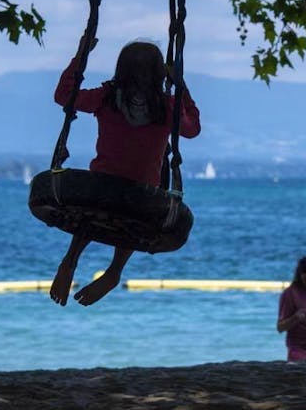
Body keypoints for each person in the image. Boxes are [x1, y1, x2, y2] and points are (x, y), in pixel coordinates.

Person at [48, 39, 201, 307]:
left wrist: (81, 54)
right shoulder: (167, 106)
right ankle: (115, 270)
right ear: (158, 75)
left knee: (92, 210)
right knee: (136, 212)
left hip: (100, 190)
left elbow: (64, 95)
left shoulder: (107, 98)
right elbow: (193, 128)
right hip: (141, 197)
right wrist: (180, 85)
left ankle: (70, 259)